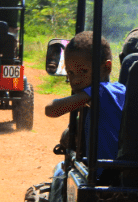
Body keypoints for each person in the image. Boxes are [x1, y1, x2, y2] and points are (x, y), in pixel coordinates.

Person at [45, 31, 126, 162]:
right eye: (70, 73)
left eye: (83, 71)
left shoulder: (100, 91)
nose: (75, 80)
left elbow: (51, 110)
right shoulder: (119, 91)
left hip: (103, 174)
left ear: (106, 68)